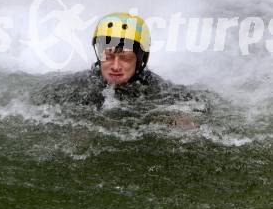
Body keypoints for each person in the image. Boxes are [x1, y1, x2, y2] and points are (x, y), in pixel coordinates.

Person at [34, 12, 209, 126]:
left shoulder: (156, 90)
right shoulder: (80, 85)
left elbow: (201, 105)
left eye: (125, 58)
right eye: (108, 57)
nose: (115, 66)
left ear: (141, 60)